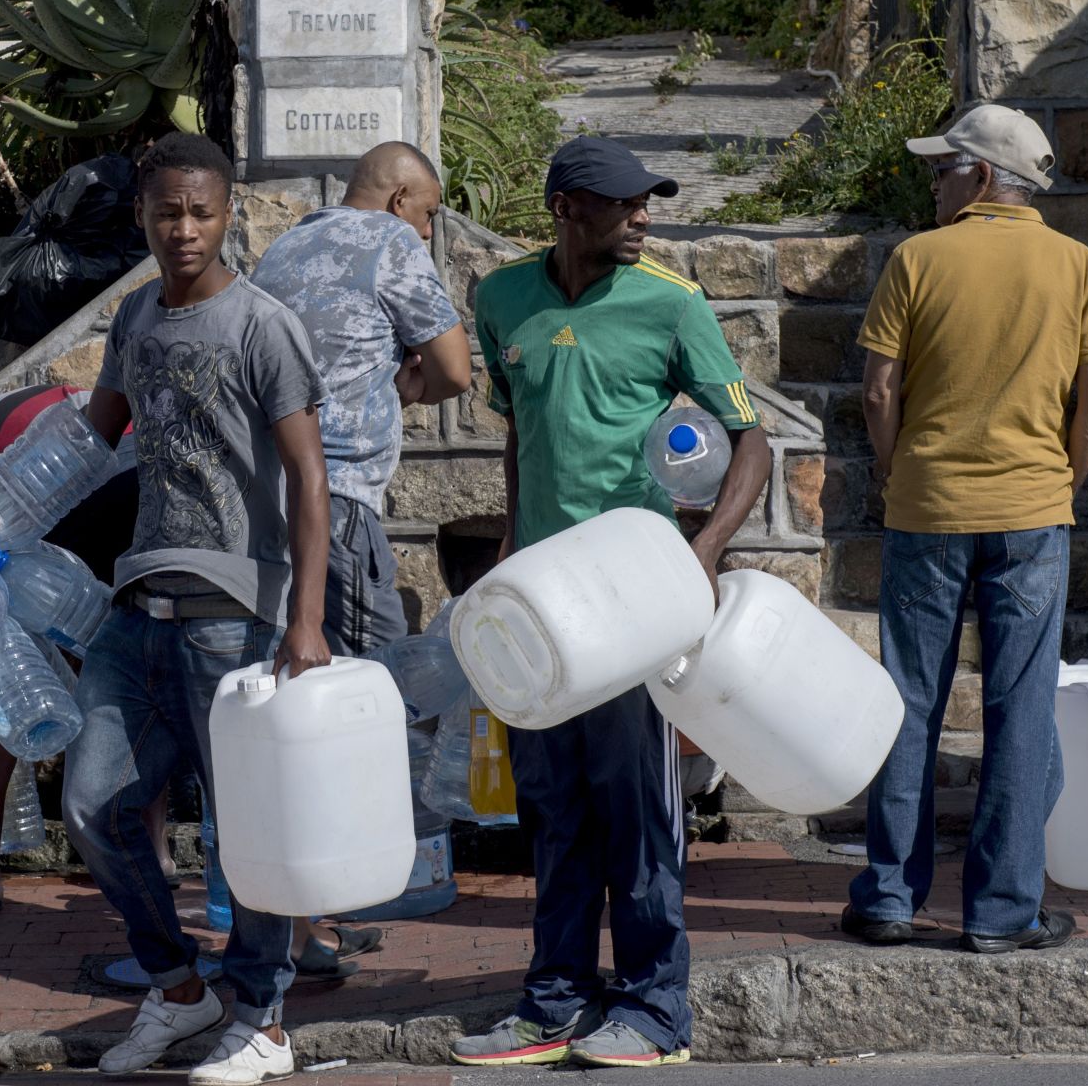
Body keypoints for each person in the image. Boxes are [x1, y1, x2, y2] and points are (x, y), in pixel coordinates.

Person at [450, 136, 769, 1070]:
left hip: (633, 605)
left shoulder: (673, 306)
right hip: (544, 610)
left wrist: (704, 551)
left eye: (648, 203)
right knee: (553, 814)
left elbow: (751, 443)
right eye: (625, 203)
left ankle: (655, 1010)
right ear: (566, 208)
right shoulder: (502, 297)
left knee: (638, 815)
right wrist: (511, 545)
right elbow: (519, 433)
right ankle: (552, 1004)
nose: (644, 218)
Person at [60, 132, 332, 1086]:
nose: (184, 229)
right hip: (138, 604)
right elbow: (90, 441)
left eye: (201, 212)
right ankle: (183, 990)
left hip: (237, 611)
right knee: (94, 799)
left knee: (246, 826)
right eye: (167, 211)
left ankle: (262, 1018)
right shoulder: (134, 316)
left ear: (229, 216)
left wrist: (306, 615)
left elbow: (308, 477)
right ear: (143, 214)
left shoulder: (263, 326)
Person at [841, 105, 1088, 953]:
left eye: (945, 169)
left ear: (985, 177)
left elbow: (879, 390)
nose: (935, 184)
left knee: (908, 702)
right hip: (1033, 512)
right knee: (1020, 707)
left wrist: (896, 471)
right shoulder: (1078, 265)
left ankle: (889, 897)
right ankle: (1004, 913)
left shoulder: (919, 259)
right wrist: (1063, 481)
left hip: (927, 508)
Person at [251, 139, 472, 966]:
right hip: (337, 506)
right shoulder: (385, 243)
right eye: (428, 216)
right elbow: (454, 368)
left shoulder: (287, 242)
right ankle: (333, 910)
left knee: (297, 700)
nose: (428, 235)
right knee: (365, 698)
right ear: (399, 197)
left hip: (265, 505)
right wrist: (409, 384)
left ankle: (307, 919)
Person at [0, 385, 153, 913]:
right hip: (154, 463)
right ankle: (152, 853)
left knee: (2, 663)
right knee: (126, 656)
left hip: (93, 474)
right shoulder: (8, 414)